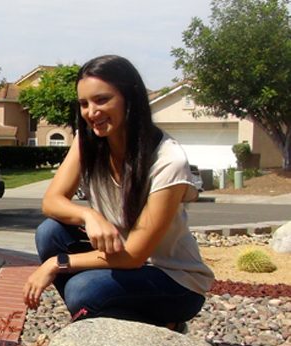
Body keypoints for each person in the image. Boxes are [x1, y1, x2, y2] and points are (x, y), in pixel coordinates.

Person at [23, 55, 214, 330]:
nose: (91, 112)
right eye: (84, 104)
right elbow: (51, 201)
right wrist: (89, 215)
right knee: (49, 232)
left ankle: (159, 325)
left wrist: (57, 263)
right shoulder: (87, 140)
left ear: (129, 98)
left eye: (102, 100)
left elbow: (134, 254)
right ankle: (101, 324)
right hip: (124, 262)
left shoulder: (168, 160)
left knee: (82, 290)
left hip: (174, 281)